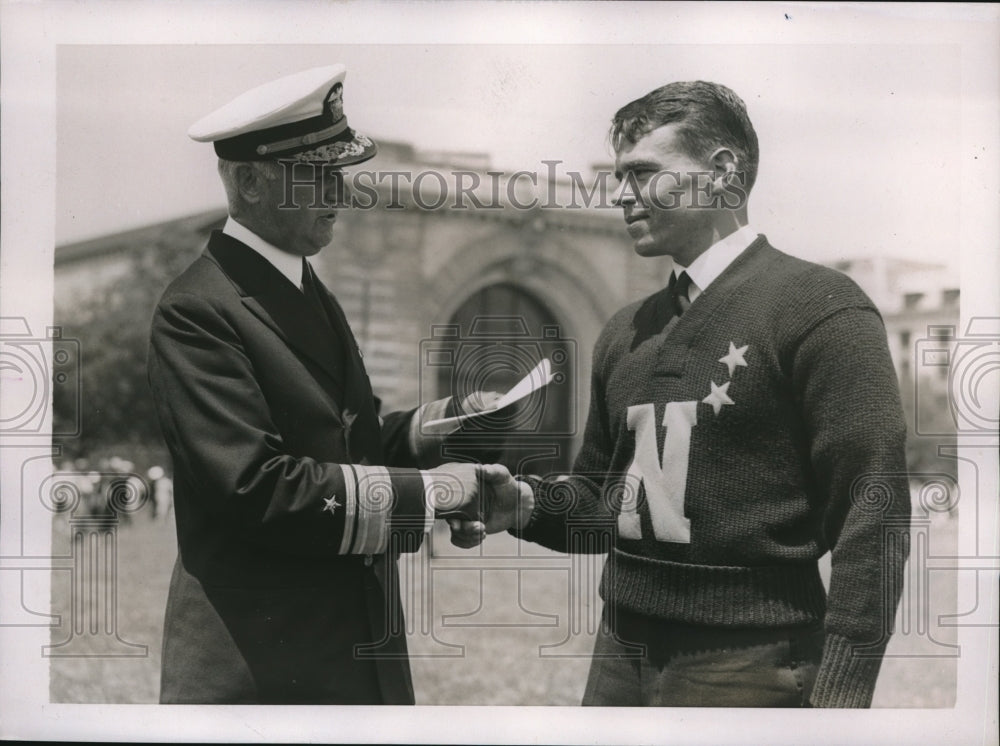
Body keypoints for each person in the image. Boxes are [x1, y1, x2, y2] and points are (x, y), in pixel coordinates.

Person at [498, 81, 911, 708]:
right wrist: (523, 507)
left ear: (722, 172)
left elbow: (872, 514)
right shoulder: (625, 330)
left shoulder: (821, 307)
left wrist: (840, 702)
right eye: (618, 175)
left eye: (643, 173)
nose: (619, 194)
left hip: (753, 666)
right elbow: (603, 503)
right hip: (619, 657)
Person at [147, 64, 531, 704]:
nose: (342, 194)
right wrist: (435, 493)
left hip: (350, 645)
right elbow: (255, 487)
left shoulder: (303, 287)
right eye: (319, 175)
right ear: (248, 180)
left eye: (340, 173)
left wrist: (455, 421)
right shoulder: (198, 308)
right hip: (260, 664)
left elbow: (351, 443)